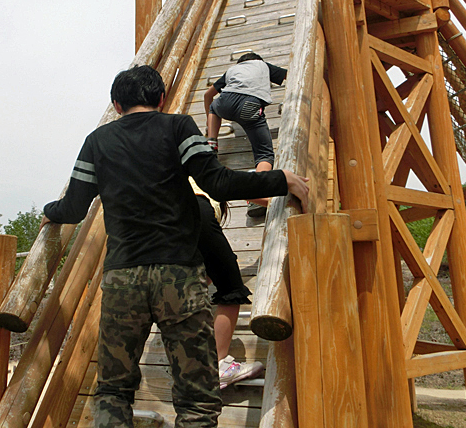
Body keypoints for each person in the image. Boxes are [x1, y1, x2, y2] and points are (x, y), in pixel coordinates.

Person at [42, 65, 309, 428]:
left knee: (113, 390)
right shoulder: (178, 126)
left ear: (116, 104)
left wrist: (49, 213)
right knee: (197, 398)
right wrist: (281, 179)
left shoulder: (97, 141)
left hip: (123, 279)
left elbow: (73, 207)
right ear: (162, 98)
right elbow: (217, 182)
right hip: (178, 277)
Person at [190, 179, 263, 389]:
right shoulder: (205, 170)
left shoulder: (171, 173)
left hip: (166, 226)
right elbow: (252, 190)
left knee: (191, 287)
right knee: (231, 288)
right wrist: (283, 197)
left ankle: (193, 363)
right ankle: (218, 365)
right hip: (196, 212)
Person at [203, 52, 288, 217]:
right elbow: (288, 76)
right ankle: (259, 193)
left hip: (224, 102)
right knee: (264, 154)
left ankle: (211, 142)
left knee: (214, 106)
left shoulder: (232, 70)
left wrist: (208, 122)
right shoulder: (262, 66)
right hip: (250, 105)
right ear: (257, 60)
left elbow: (207, 95)